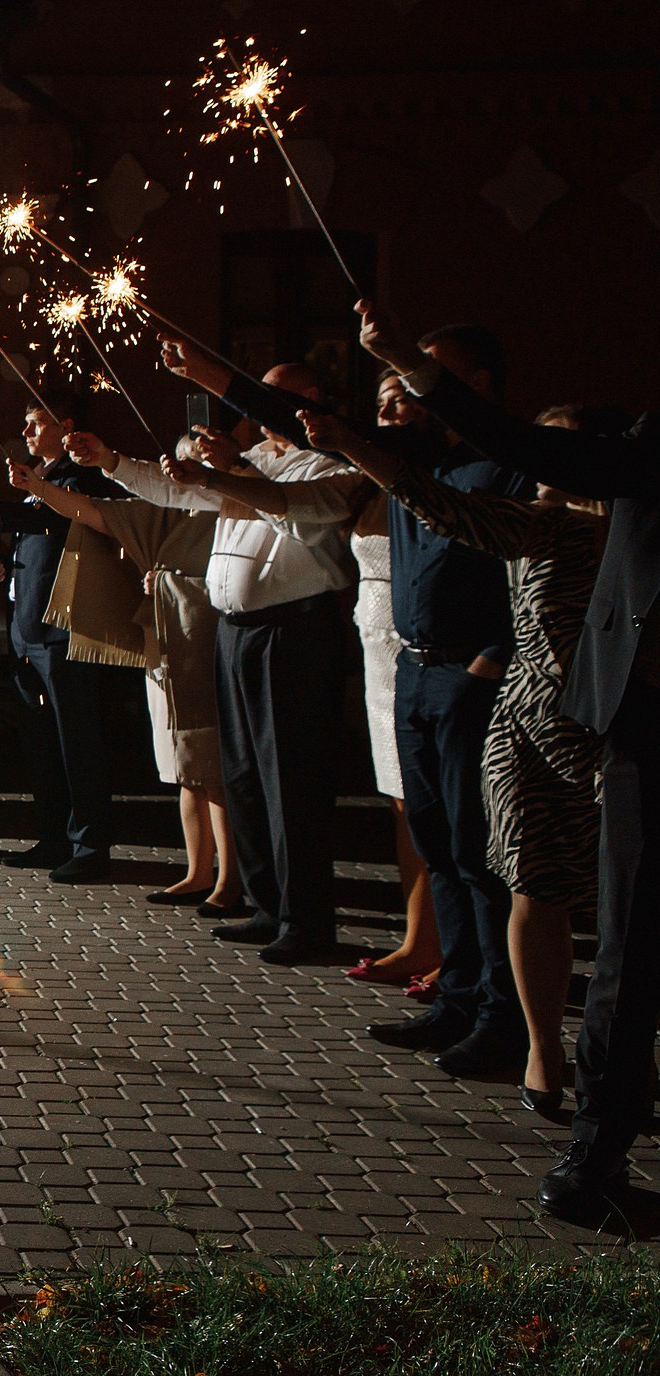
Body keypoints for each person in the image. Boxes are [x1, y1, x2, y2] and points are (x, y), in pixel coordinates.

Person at [343, 300, 654, 1229]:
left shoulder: (584, 525)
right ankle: (566, 1101)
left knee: (618, 933)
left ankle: (591, 1128)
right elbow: (474, 495)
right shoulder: (564, 503)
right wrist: (395, 392)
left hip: (589, 724)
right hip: (563, 721)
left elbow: (474, 497)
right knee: (553, 900)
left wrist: (404, 384)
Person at [169, 331, 535, 1078]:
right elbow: (283, 447)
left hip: (471, 676)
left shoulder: (507, 461)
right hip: (414, 667)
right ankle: (458, 998)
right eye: (390, 385)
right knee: (436, 841)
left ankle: (504, 1015)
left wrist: (490, 658)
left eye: (420, 379)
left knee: (474, 850)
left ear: (479, 385)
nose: (401, 395)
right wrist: (210, 373)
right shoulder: (404, 462)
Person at [307, 400, 615, 1127]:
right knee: (520, 879)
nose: (541, 466)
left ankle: (579, 1042)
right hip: (522, 724)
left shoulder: (586, 527)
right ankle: (529, 1041)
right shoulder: (541, 518)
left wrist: (355, 444)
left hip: (595, 730)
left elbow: (453, 514)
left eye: (556, 452)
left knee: (593, 897)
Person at [70, 368, 365, 963]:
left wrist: (233, 471)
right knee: (245, 772)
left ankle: (306, 920)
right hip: (235, 630)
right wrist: (111, 461)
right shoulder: (254, 457)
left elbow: (291, 513)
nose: (262, 409)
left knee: (289, 778)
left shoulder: (332, 466)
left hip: (295, 629)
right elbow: (180, 492)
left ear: (318, 404)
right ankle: (263, 904)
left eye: (282, 397)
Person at [7, 441, 243, 916]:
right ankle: (197, 871)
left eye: (187, 465)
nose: (174, 474)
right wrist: (35, 487)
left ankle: (232, 879)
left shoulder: (231, 505)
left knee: (208, 762)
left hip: (202, 635)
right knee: (181, 764)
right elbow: (98, 513)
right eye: (170, 465)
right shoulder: (159, 511)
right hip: (164, 637)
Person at [0, 389, 123, 883]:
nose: (26, 434)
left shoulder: (79, 478)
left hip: (64, 629)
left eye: (35, 424)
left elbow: (57, 520)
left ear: (65, 427)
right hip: (27, 628)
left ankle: (89, 843)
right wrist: (3, 562)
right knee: (41, 740)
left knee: (77, 738)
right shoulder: (39, 481)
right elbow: (34, 540)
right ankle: (51, 834)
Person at [343, 374, 440, 996]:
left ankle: (447, 948)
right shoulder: (374, 481)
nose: (386, 410)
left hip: (416, 652)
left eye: (399, 397)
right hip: (377, 658)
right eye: (378, 401)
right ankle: (418, 937)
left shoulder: (433, 481)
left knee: (429, 806)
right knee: (401, 803)